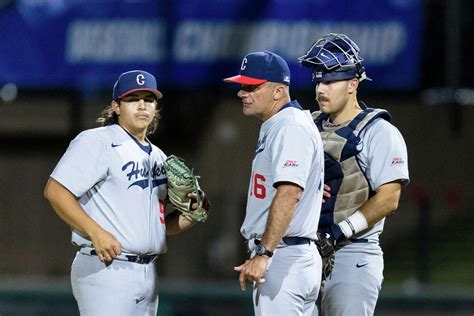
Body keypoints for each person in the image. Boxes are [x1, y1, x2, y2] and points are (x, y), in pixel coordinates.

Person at [44, 70, 208, 315]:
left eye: (148, 99)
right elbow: (55, 191)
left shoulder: (158, 156)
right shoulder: (98, 141)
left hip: (148, 270)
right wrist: (95, 231)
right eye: (133, 99)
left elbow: (158, 227)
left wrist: (193, 213)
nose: (142, 105)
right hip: (106, 269)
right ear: (116, 106)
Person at [299, 33, 410, 315]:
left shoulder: (379, 131)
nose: (320, 89)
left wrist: (338, 233)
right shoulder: (307, 125)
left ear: (353, 84)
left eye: (330, 81)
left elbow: (389, 199)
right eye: (318, 80)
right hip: (305, 252)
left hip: (353, 253)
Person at [223, 51, 325, 315]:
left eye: (252, 86)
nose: (242, 93)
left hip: (283, 256)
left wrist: (265, 253)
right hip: (292, 255)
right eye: (242, 86)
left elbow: (290, 192)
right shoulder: (281, 123)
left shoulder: (288, 126)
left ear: (279, 91)